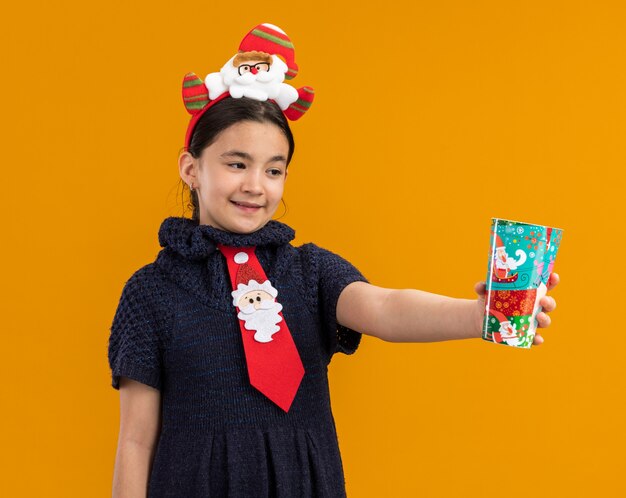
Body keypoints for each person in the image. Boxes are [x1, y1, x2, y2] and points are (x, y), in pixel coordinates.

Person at [108, 24, 560, 497]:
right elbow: (136, 441)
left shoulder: (310, 272)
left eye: (274, 169)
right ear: (190, 169)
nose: (255, 185)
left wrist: (478, 315)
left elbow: (386, 308)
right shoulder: (150, 292)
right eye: (236, 164)